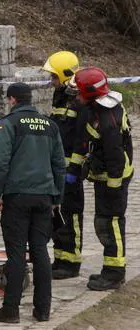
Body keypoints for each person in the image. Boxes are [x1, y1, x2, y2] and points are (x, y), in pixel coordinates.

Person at [0, 82, 66, 323]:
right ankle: (42, 310)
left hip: (17, 196)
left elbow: (0, 162)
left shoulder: (8, 124)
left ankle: (10, 309)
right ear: (29, 99)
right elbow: (59, 165)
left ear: (12, 100)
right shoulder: (50, 126)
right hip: (44, 197)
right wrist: (57, 198)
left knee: (16, 254)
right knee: (40, 251)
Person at [67, 67, 134, 291]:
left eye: (79, 93)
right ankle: (110, 269)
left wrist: (114, 185)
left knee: (111, 223)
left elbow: (114, 155)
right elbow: (85, 143)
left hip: (112, 180)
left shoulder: (107, 118)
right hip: (104, 177)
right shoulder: (97, 109)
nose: (76, 97)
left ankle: (115, 273)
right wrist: (74, 169)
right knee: (103, 223)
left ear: (89, 93)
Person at [42, 51, 86, 279]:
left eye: (54, 77)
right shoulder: (60, 95)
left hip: (71, 171)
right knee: (58, 214)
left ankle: (71, 262)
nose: (52, 82)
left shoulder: (80, 100)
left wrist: (75, 169)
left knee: (72, 215)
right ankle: (60, 258)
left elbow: (82, 137)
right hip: (58, 168)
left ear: (65, 74)